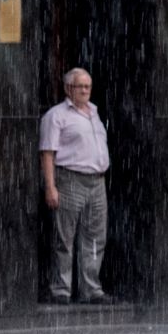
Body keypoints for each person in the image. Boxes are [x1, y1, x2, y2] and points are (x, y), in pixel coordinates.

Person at [39, 68, 114, 304]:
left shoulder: (94, 112)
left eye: (88, 86)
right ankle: (61, 289)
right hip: (70, 179)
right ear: (68, 88)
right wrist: (50, 186)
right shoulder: (56, 115)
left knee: (95, 237)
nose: (85, 91)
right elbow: (47, 153)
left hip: (97, 181)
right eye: (80, 86)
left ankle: (91, 289)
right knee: (65, 236)